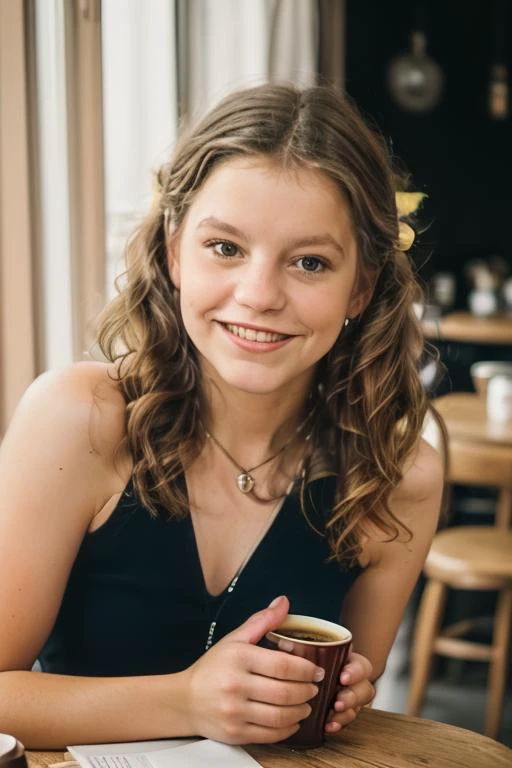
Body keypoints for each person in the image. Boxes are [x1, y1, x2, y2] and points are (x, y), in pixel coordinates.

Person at [0, 83, 443, 749]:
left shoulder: (399, 477)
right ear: (175, 253)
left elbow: (335, 727)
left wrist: (345, 694)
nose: (259, 294)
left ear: (361, 288)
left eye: (309, 262)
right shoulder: (78, 419)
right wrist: (187, 701)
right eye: (226, 248)